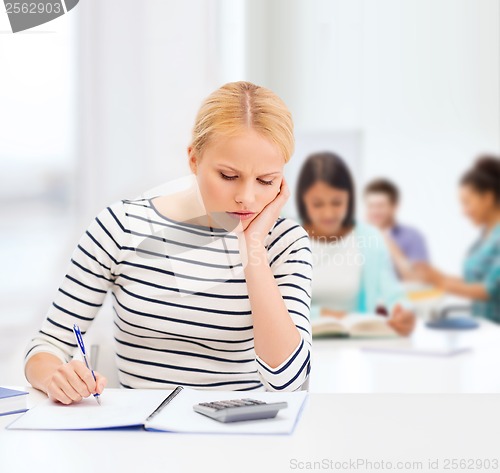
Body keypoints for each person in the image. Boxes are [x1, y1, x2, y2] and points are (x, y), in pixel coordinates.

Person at [24, 81, 313, 404]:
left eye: (266, 181)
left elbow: (287, 379)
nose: (247, 197)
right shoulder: (121, 227)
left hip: (240, 437)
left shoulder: (286, 244)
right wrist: (55, 377)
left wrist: (253, 248)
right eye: (229, 176)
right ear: (193, 159)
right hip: (141, 438)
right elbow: (48, 345)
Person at [295, 151, 415, 336]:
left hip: (356, 345)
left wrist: (404, 312)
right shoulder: (288, 238)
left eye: (337, 203)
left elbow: (394, 294)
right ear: (304, 201)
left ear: (349, 198)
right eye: (318, 204)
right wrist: (323, 314)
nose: (328, 214)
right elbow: (277, 304)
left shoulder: (369, 238)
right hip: (299, 345)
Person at [415, 155, 500, 323]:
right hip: (484, 330)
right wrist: (436, 275)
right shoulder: (483, 239)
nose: (464, 212)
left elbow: (489, 290)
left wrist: (440, 282)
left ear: (488, 198)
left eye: (467, 203)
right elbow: (472, 282)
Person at [364, 178, 430, 280]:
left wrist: (384, 239)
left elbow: (417, 279)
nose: (374, 211)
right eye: (370, 206)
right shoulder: (355, 237)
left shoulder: (412, 236)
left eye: (380, 206)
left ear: (394, 206)